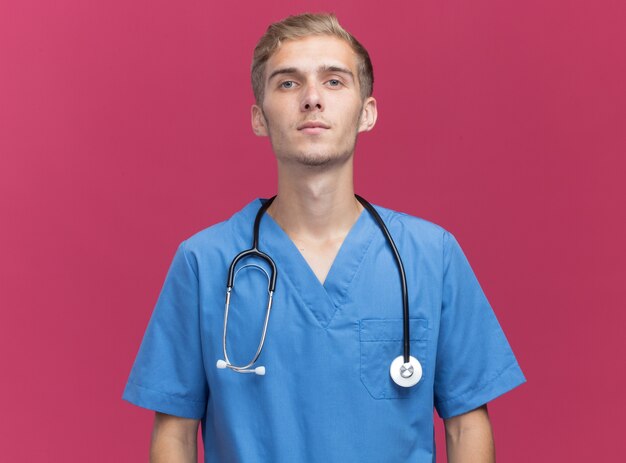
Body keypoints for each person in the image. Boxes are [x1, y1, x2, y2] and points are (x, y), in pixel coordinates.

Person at [122, 12, 526, 462]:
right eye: (288, 83)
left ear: (366, 112)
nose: (312, 98)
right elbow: (174, 436)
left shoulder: (432, 257)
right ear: (259, 118)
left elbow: (466, 427)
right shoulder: (205, 262)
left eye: (334, 81)